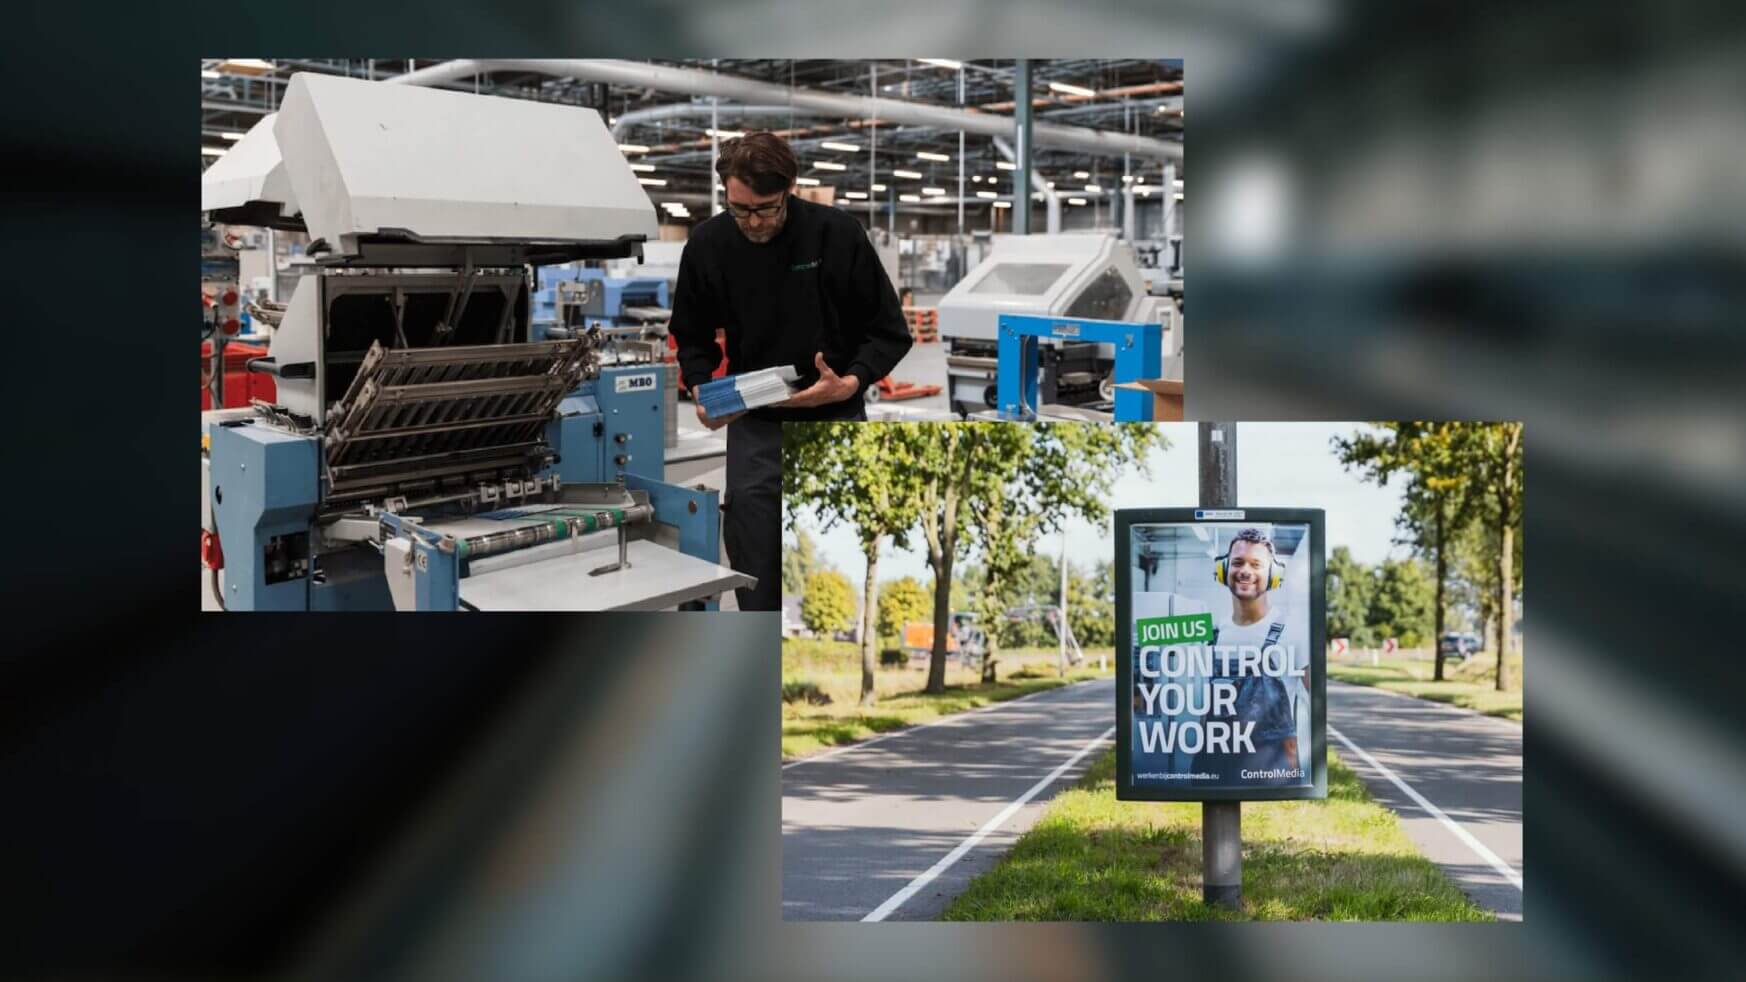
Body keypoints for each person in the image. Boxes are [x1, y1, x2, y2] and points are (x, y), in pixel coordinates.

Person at [668, 132, 913, 612]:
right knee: (754, 559)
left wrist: (851, 381)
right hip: (755, 423)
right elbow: (691, 335)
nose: (753, 222)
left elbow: (889, 331)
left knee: (836, 559)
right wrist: (700, 388)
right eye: (740, 210)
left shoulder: (837, 235)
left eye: (766, 209)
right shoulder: (709, 244)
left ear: (790, 189)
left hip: (834, 419)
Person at [1195, 527, 1306, 783]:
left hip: (1271, 774)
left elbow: (1320, 704)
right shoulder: (1212, 632)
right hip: (1215, 770)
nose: (1245, 571)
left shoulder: (1294, 631)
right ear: (1223, 570)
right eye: (1237, 562)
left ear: (1274, 575)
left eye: (1256, 564)